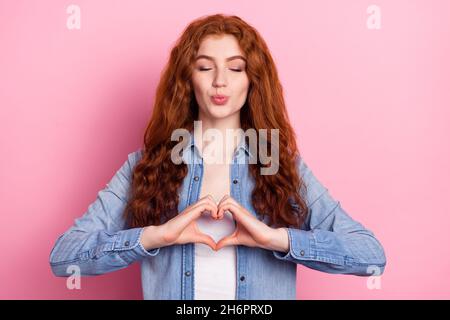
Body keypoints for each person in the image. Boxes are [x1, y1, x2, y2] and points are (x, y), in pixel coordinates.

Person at [49, 13, 386, 300]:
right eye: (205, 67)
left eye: (236, 68)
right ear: (187, 79)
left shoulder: (282, 167)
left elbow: (370, 255)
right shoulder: (144, 166)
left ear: (252, 80)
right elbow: (64, 257)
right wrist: (154, 236)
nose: (220, 81)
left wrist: (276, 239)